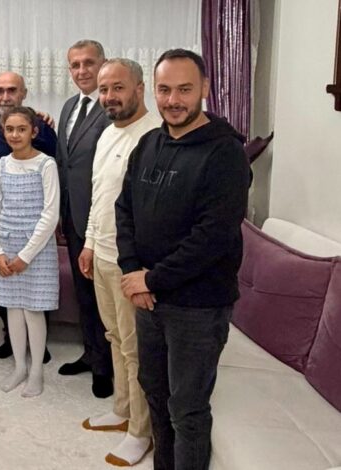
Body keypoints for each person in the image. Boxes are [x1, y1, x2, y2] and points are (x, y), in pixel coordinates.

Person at [115, 49, 249, 470]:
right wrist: (132, 271)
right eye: (165, 90)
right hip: (149, 299)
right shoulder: (149, 143)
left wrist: (151, 279)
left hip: (198, 307)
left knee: (187, 410)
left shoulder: (226, 153)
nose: (173, 100)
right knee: (155, 394)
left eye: (185, 89)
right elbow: (124, 209)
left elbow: (213, 237)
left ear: (205, 88)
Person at [77, 59, 162, 467]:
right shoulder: (108, 132)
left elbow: (153, 213)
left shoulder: (155, 136)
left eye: (118, 88)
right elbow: (100, 195)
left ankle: (141, 431)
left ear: (140, 89)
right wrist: (90, 243)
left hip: (132, 264)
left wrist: (139, 269)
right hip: (103, 256)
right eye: (104, 89)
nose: (109, 97)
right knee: (114, 337)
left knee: (135, 350)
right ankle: (122, 409)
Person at [0, 71, 57, 361]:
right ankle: (12, 339)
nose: (5, 96)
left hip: (34, 222)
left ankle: (39, 343)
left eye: (12, 90)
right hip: (1, 219)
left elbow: (54, 173)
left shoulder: (42, 128)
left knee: (36, 291)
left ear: (24, 93)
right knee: (6, 284)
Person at [0, 107, 60, 398]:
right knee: (13, 308)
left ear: (33, 132)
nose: (15, 135)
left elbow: (50, 214)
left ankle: (36, 371)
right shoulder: (1, 165)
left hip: (36, 250)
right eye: (9, 129)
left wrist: (26, 256)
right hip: (6, 246)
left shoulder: (46, 165)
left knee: (32, 309)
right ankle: (19, 367)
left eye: (21, 129)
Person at [56, 39, 113, 399]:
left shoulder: (112, 108)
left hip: (101, 221)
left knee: (102, 296)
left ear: (103, 64)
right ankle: (91, 354)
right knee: (84, 295)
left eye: (88, 63)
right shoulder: (68, 107)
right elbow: (65, 161)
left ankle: (106, 367)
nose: (81, 71)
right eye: (75, 65)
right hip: (73, 217)